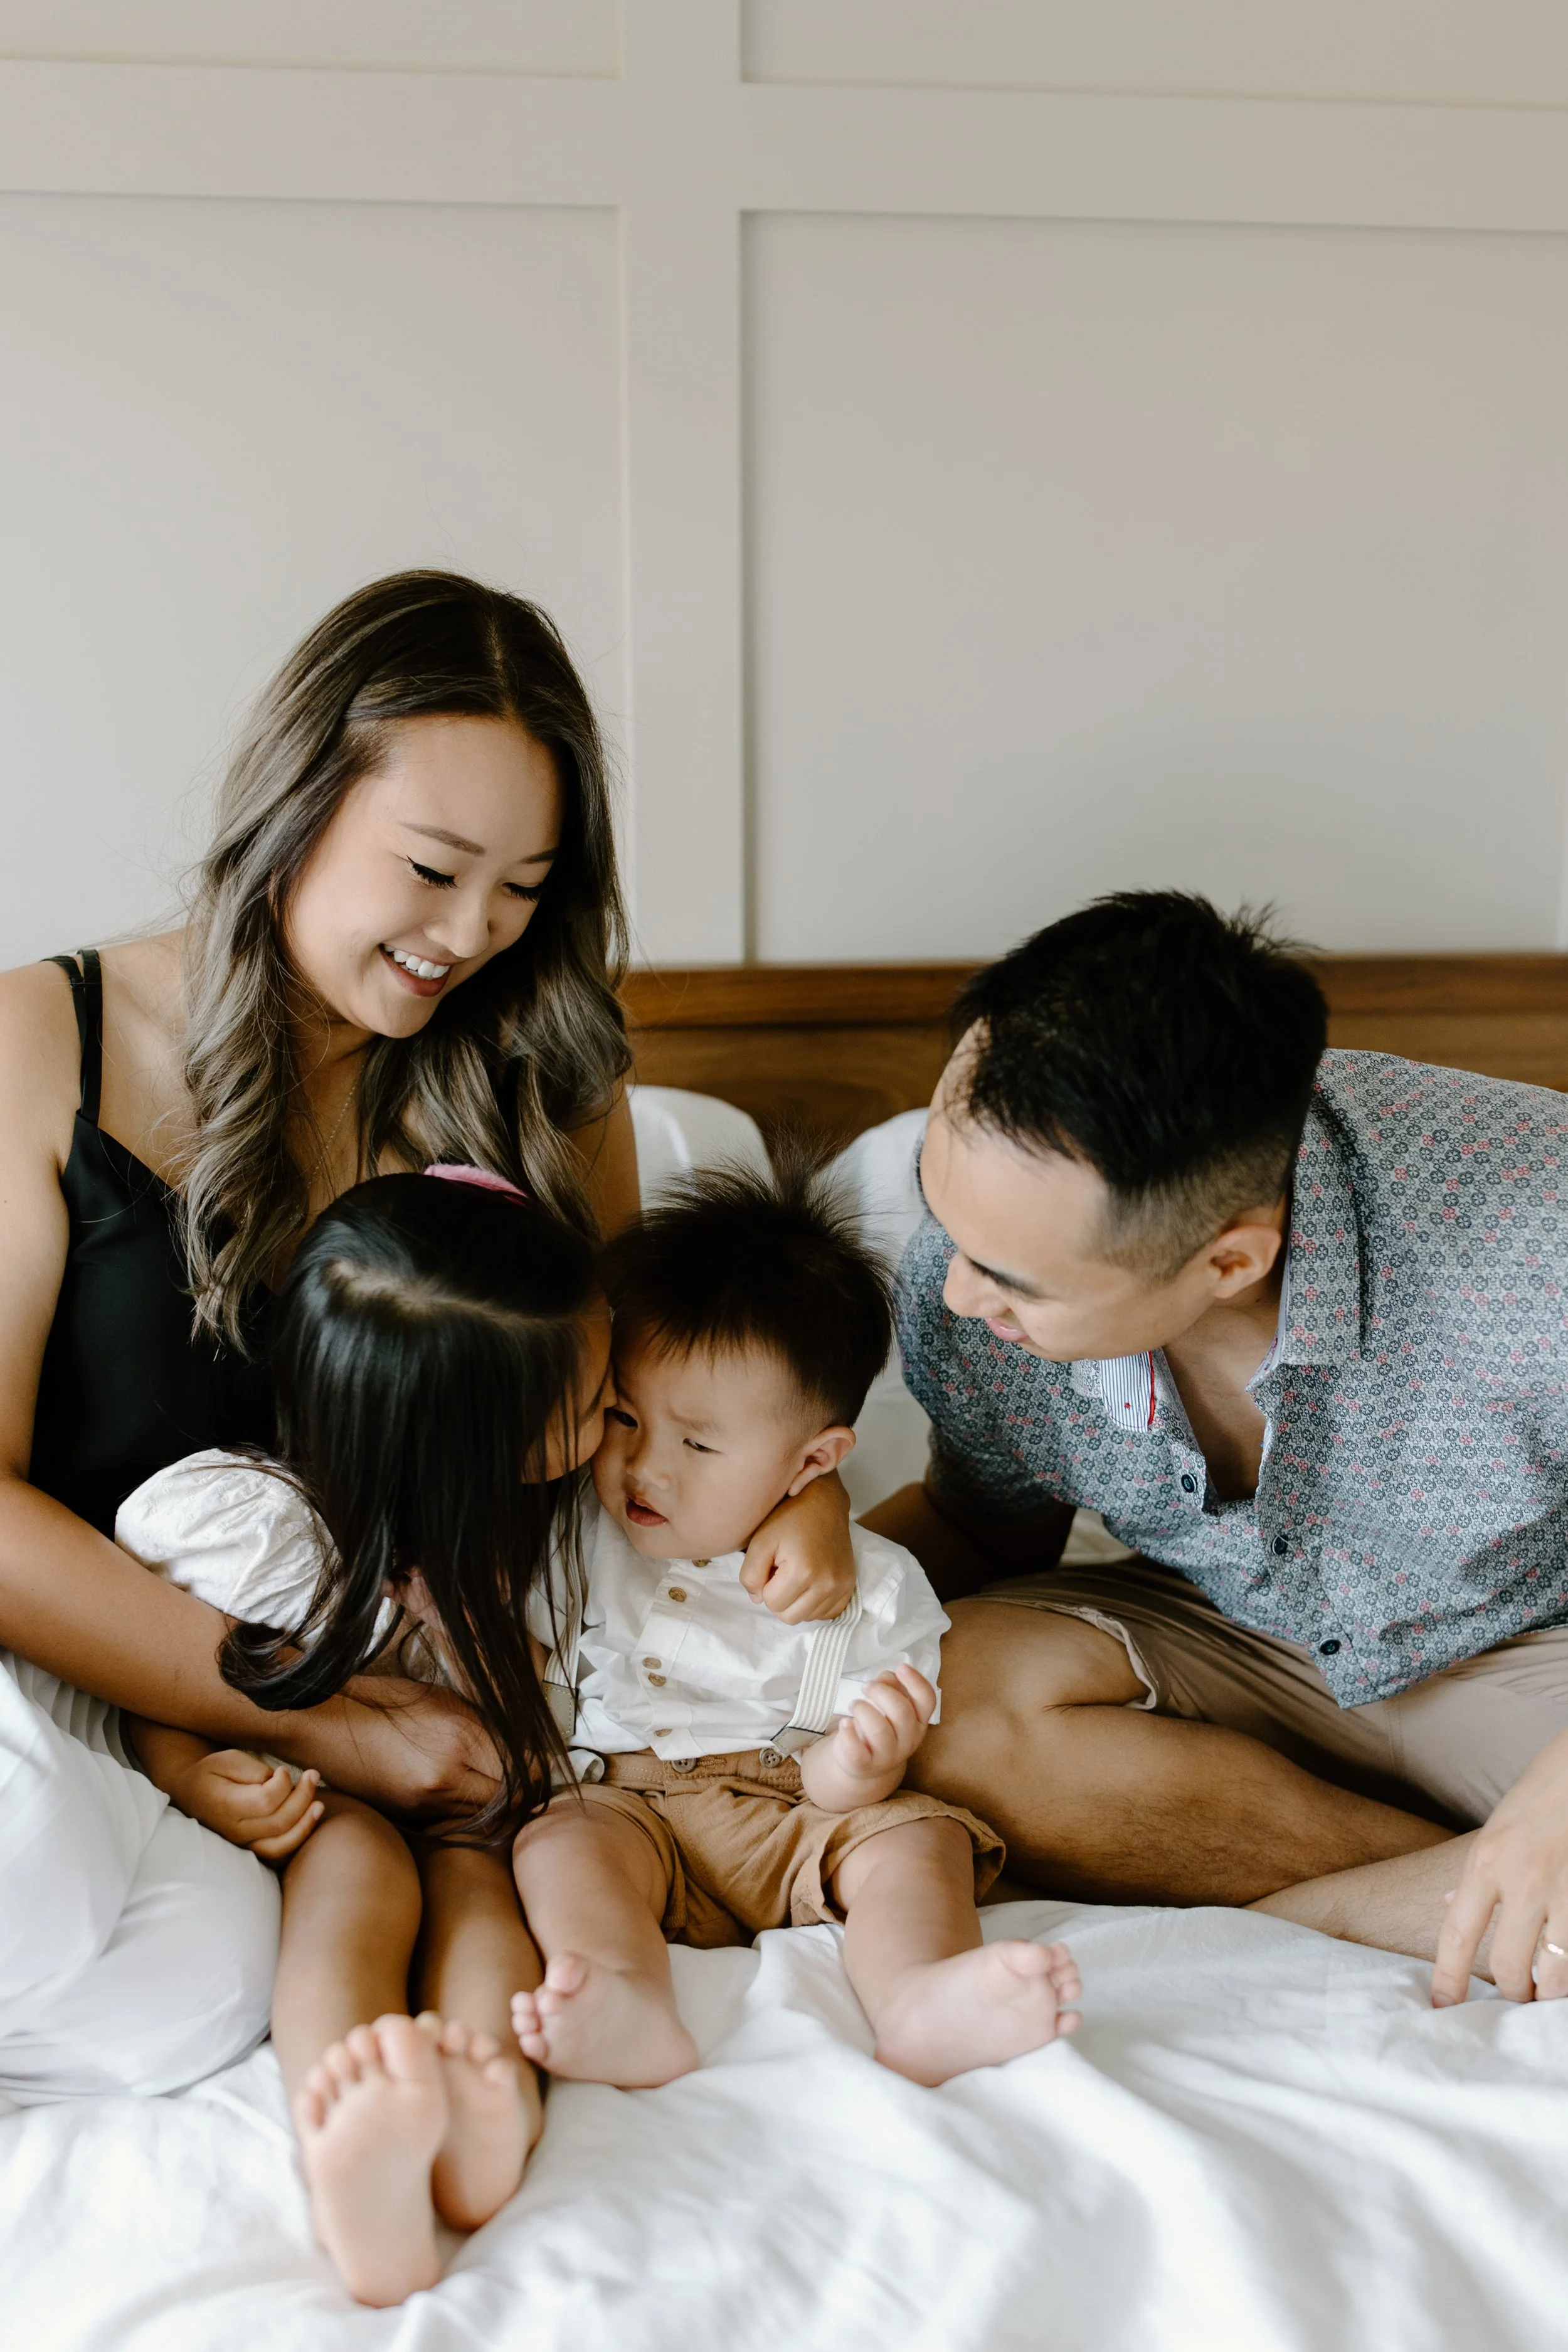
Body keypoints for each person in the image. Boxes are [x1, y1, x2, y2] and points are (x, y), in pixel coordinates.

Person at [0, 571, 851, 2105]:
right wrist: (319, 1716)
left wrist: (805, 1490)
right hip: (131, 1686)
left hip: (458, 1707)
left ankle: (446, 2100)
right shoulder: (36, 1049)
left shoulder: (543, 1065)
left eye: (523, 888)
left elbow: (639, 1404)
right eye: (433, 868)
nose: (471, 935)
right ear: (297, 800)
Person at [864, 891, 1568, 2010]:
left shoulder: (1539, 1228)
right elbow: (978, 1528)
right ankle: (1449, 1893)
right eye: (945, 1223)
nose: (955, 1288)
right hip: (1226, 1641)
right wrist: (732, 1607)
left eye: (1015, 1279)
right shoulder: (966, 1293)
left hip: (1520, 1653)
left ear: (1231, 1261)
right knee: (928, 1702)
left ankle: (1341, 1915)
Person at [116, 1169, 612, 2306]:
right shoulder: (257, 1530)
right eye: (588, 1406)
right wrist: (192, 1770)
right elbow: (162, 1681)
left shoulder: (541, 1532)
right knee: (356, 1875)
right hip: (330, 1795)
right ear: (464, 1443)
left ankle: (487, 2112)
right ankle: (348, 2122)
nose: (614, 1406)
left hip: (479, 1813)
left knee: (489, 1899)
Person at [509, 1162, 1082, 2094]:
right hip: (620, 1801)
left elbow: (835, 1775)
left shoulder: (878, 1586)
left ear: (814, 1460)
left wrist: (862, 1764)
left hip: (789, 1811)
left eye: (696, 1443)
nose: (643, 1466)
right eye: (621, 1415)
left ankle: (920, 1996)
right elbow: (533, 1665)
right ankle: (624, 1998)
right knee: (555, 1845)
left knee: (917, 1838)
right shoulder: (574, 1528)